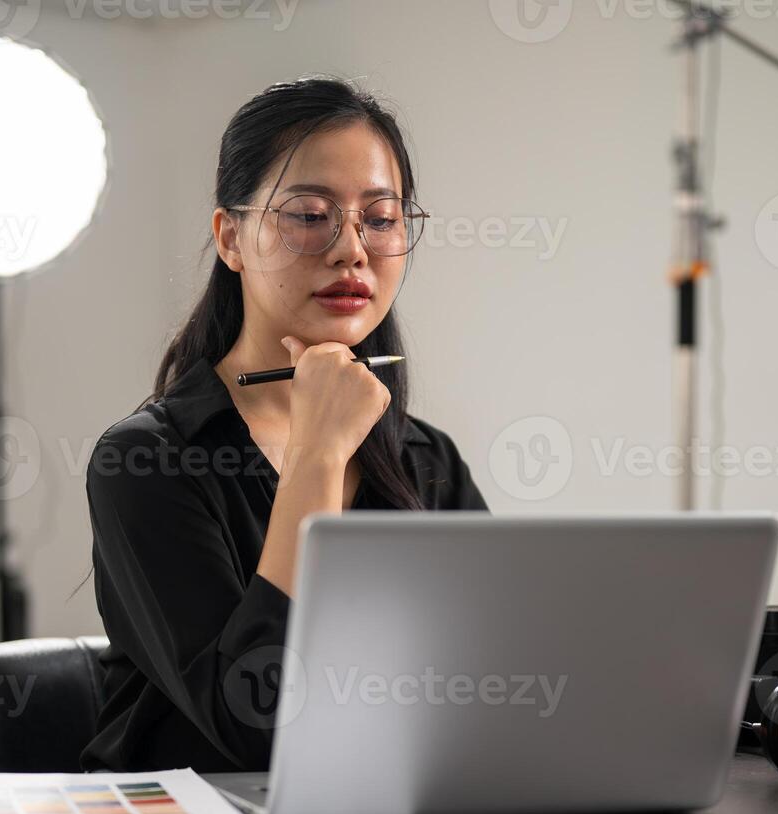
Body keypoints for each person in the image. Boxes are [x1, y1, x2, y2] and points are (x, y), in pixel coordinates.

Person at [79, 75, 487, 774]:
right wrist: (317, 455)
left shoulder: (428, 459)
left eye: (381, 219)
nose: (351, 250)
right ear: (230, 238)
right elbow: (260, 729)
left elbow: (496, 680)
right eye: (308, 215)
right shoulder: (144, 462)